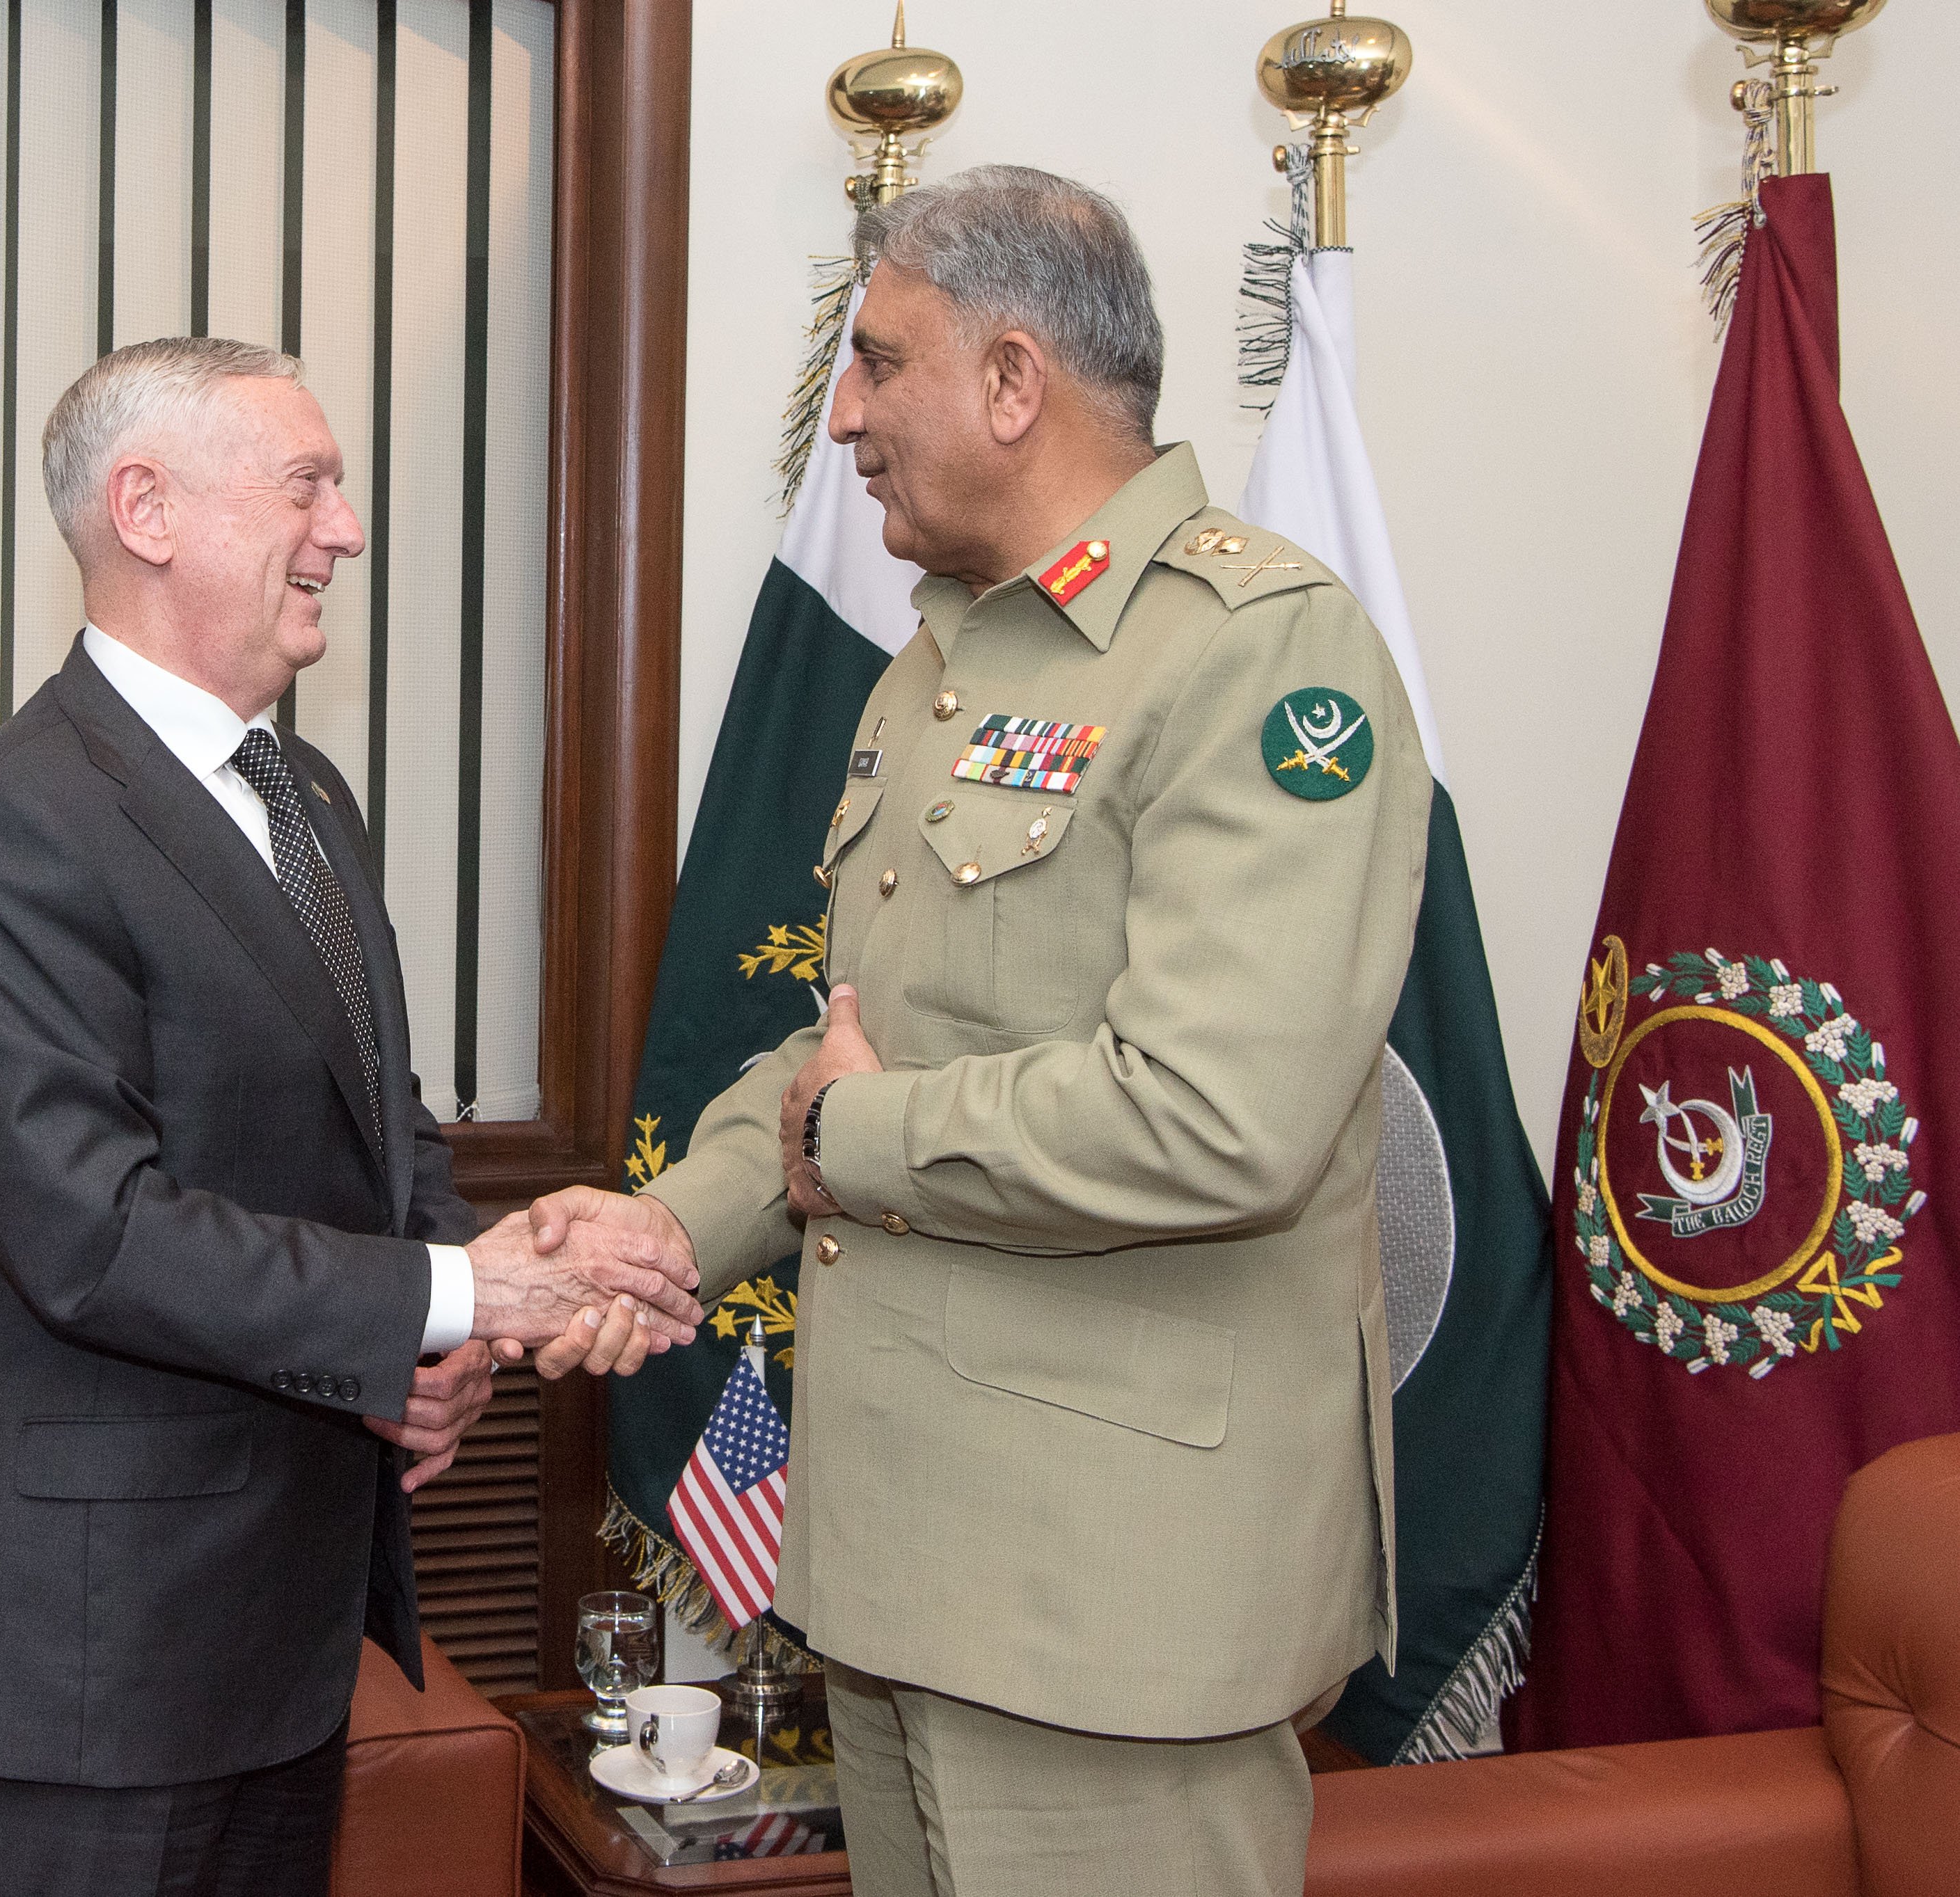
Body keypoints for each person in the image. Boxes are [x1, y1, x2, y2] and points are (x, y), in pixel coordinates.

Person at [542, 167, 1430, 1896]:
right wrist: (669, 1222)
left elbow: (1215, 1113)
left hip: (1107, 1602)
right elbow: (847, 1040)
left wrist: (851, 1139)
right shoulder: (939, 663)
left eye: (877, 362)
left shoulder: (1256, 657)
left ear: (1013, 381)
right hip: (905, 1563)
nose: (845, 414)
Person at [0, 335, 699, 1897]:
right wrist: (458, 1291)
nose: (348, 528)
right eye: (306, 484)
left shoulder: (305, 796)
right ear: (149, 510)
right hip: (96, 1649)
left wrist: (459, 1310)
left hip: (285, 1618)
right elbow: (92, 1235)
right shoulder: (6, 824)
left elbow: (381, 1134)